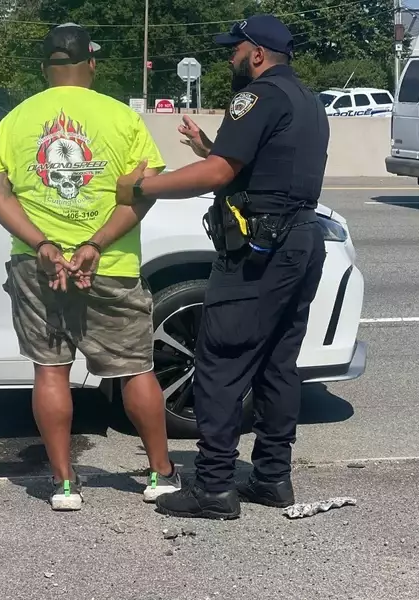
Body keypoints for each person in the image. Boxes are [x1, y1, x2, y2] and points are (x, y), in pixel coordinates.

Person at [115, 14, 330, 520]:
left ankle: (213, 486)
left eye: (235, 49)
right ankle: (273, 476)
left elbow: (220, 174)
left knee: (219, 361)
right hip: (300, 239)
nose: (229, 56)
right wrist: (212, 147)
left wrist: (139, 188)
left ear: (257, 53)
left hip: (259, 251)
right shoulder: (308, 100)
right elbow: (262, 168)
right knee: (278, 363)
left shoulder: (255, 97)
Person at [0, 22, 180, 511]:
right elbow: (144, 192)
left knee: (51, 370)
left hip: (37, 264)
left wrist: (44, 243)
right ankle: (160, 473)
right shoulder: (122, 119)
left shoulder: (15, 119)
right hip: (108, 262)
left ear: (46, 67)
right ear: (91, 64)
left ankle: (65, 483)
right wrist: (95, 242)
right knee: (135, 370)